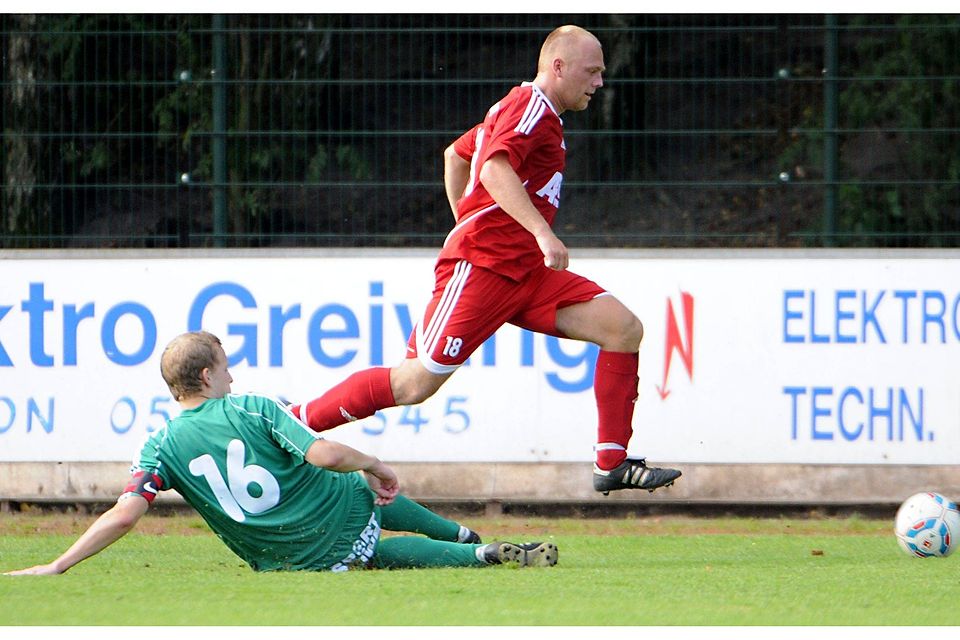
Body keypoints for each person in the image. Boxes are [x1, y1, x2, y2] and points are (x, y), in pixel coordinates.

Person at [288, 25, 681, 496]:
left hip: (527, 273)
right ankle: (290, 422)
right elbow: (493, 168)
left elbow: (456, 155)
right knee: (413, 384)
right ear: (558, 67)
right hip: (485, 269)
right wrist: (528, 233)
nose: (599, 82)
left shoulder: (533, 113)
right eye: (592, 71)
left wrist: (469, 218)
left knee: (622, 329)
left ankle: (611, 464)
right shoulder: (529, 107)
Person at [4, 331, 557, 576]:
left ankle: (479, 554)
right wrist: (373, 462)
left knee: (372, 557)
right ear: (207, 375)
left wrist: (58, 564)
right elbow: (323, 454)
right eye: (226, 367)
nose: (233, 375)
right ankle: (465, 540)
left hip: (286, 559)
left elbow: (125, 514)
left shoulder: (159, 446)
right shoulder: (253, 407)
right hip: (332, 512)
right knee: (357, 486)